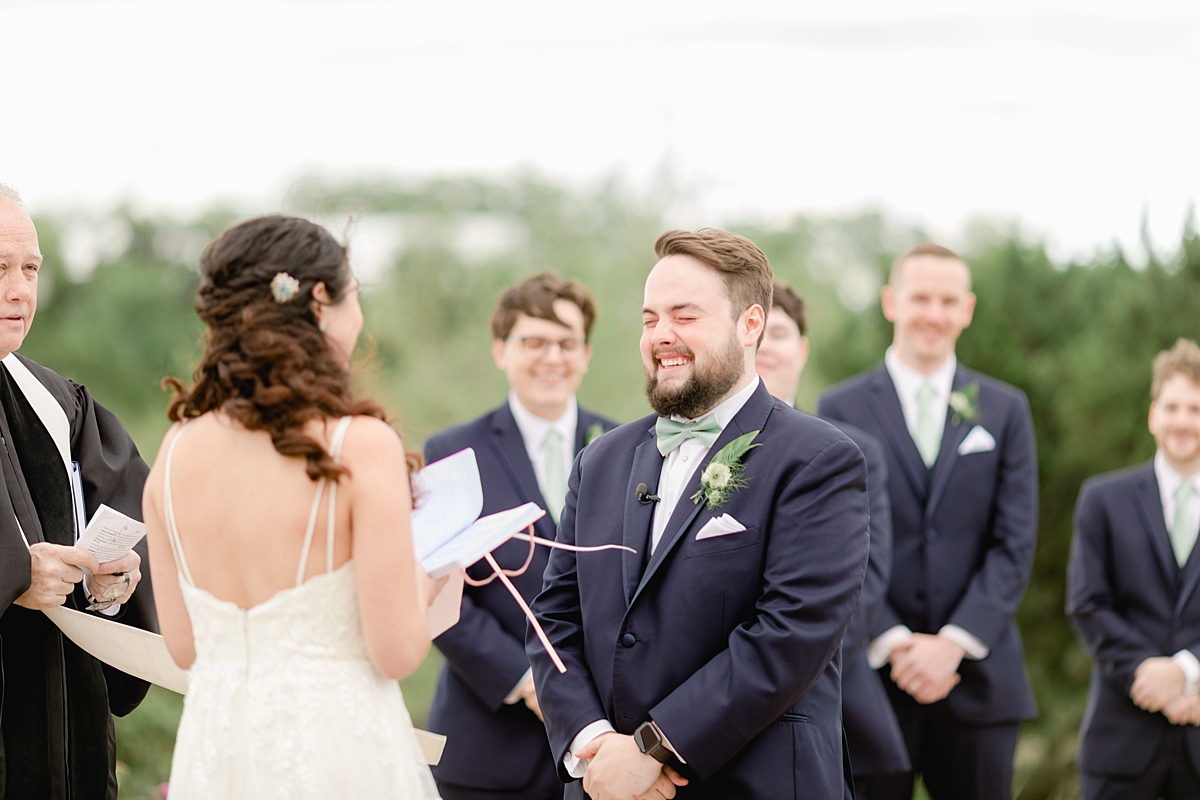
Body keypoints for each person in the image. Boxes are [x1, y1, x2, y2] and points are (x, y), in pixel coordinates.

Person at [528, 228, 870, 799]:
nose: (662, 336)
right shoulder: (601, 460)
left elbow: (789, 634)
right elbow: (554, 618)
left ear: (750, 324)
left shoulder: (819, 460)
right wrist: (593, 746)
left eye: (685, 316)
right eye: (649, 318)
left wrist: (652, 748)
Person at [142, 215, 443, 799]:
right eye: (355, 294)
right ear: (323, 300)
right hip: (336, 757)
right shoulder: (357, 446)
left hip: (217, 756)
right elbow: (398, 650)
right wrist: (432, 575)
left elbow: (185, 649)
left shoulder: (175, 452)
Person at [819, 242, 1038, 800]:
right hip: (871, 677)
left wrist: (953, 644)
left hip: (978, 678)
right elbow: (838, 543)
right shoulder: (838, 409)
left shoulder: (1005, 409)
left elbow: (1013, 542)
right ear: (892, 302)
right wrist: (893, 640)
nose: (933, 315)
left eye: (948, 301)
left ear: (967, 309)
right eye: (921, 298)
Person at [424, 271, 617, 800]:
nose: (551, 357)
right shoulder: (452, 452)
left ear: (586, 353)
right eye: (533, 341)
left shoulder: (627, 447)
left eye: (566, 343)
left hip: (604, 744)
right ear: (500, 350)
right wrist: (527, 680)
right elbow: (435, 588)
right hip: (489, 743)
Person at [0, 184, 154, 800]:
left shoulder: (59, 403)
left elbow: (123, 512)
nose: (18, 290)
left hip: (69, 743)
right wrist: (15, 573)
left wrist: (111, 584)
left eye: (30, 268)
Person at [757, 281, 911, 795]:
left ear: (802, 348)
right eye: (754, 332)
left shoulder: (852, 450)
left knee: (880, 769)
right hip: (720, 674)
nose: (765, 348)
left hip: (832, 665)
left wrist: (801, 650)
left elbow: (871, 571)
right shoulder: (686, 448)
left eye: (778, 333)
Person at [1067, 338, 1200, 799]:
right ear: (1153, 414)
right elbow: (1088, 604)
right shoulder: (1103, 499)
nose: (1183, 421)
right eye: (1172, 407)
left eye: (1195, 409)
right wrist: (1150, 673)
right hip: (1120, 743)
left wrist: (1187, 671)